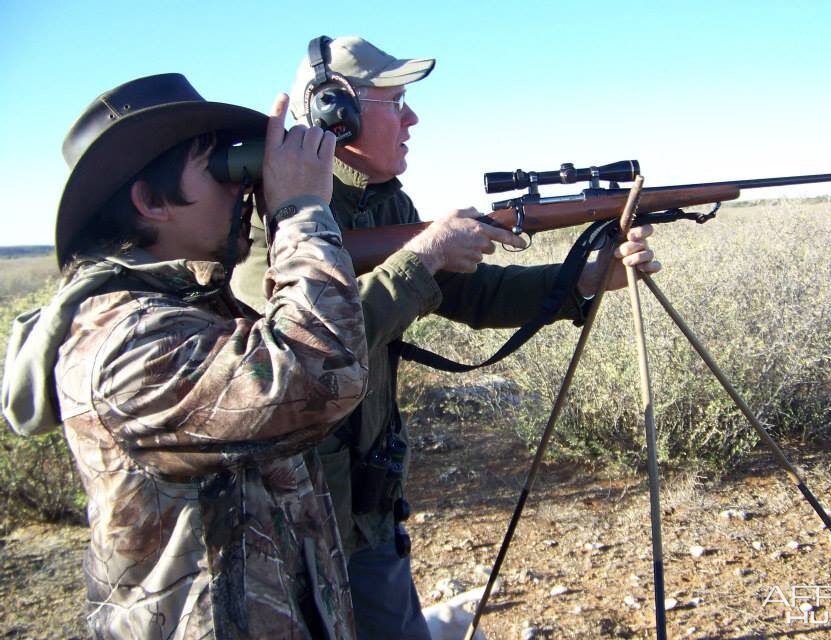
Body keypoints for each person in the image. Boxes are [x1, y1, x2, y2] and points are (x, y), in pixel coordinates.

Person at [231, 37, 660, 639]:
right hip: (294, 518)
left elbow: (474, 295)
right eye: (396, 101)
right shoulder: (265, 215)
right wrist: (425, 255)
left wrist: (588, 278)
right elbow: (304, 354)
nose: (412, 118)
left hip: (366, 505)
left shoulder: (386, 205)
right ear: (336, 110)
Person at [1, 74, 369, 639]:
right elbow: (322, 372)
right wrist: (300, 209)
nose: (243, 189)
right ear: (150, 201)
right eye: (221, 170)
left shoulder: (187, 308)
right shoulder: (123, 341)